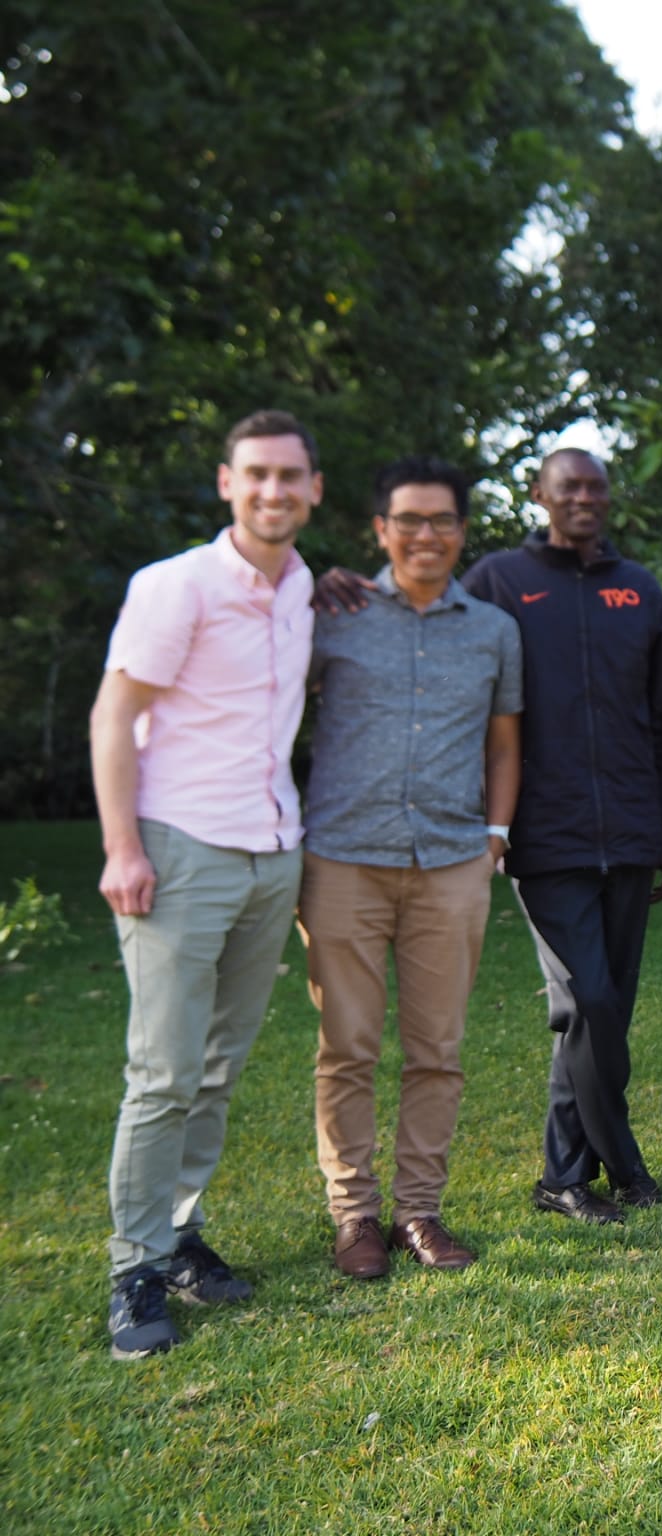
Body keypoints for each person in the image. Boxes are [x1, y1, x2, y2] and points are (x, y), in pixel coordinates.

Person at [91, 409, 320, 1358]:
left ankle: (180, 1234)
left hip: (273, 852)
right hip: (180, 849)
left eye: (290, 475)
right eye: (255, 473)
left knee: (219, 1066)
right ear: (227, 482)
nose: (273, 490)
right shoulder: (175, 585)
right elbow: (114, 716)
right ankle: (134, 1269)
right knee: (163, 1073)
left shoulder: (305, 587)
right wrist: (123, 848)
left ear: (313, 490)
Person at [300, 457, 522, 1279]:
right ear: (381, 529)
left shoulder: (494, 630)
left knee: (438, 1048)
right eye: (409, 520)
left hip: (452, 862)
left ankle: (419, 1213)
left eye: (442, 520)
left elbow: (505, 743)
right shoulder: (334, 615)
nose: (426, 534)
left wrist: (494, 837)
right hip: (342, 860)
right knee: (347, 1046)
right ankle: (354, 1216)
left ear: (462, 531)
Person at [462, 448, 662, 1223]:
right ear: (540, 494)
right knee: (589, 1000)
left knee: (600, 1011)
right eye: (569, 486)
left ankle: (562, 1176)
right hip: (544, 833)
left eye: (595, 486)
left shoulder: (639, 588)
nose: (584, 497)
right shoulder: (496, 580)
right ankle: (622, 1162)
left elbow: (661, 716)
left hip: (630, 828)